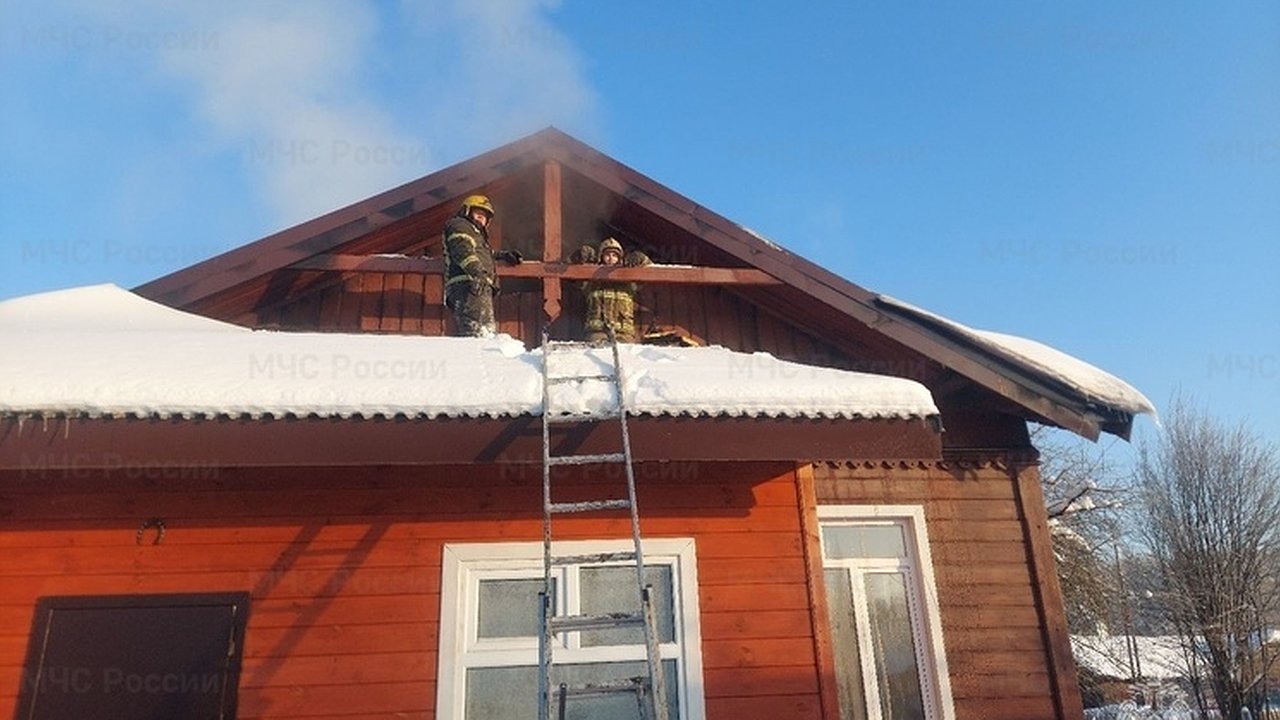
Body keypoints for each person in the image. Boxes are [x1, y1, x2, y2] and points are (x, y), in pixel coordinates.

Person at [440, 195, 521, 337]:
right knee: (476, 334)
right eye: (478, 214)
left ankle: (483, 357)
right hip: (468, 284)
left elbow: (484, 253)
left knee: (486, 332)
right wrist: (477, 273)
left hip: (476, 285)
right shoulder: (459, 225)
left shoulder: (475, 234)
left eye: (484, 216)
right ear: (466, 211)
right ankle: (476, 358)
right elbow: (462, 250)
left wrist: (504, 255)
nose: (481, 218)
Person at [572, 237, 650, 344]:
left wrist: (640, 258)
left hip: (624, 333)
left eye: (614, 255)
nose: (610, 258)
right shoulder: (591, 279)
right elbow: (571, 271)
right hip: (597, 331)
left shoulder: (629, 280)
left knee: (626, 358)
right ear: (601, 257)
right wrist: (577, 256)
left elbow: (650, 268)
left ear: (620, 258)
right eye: (607, 255)